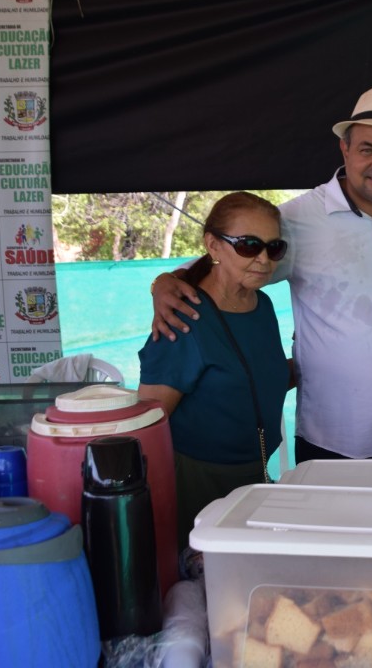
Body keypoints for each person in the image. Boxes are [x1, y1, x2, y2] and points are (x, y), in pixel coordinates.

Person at [151, 87, 372, 461]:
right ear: (345, 148)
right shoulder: (299, 219)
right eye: (367, 149)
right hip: (337, 438)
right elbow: (225, 257)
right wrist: (165, 282)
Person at [138, 192, 292, 551]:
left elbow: (257, 377)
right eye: (249, 245)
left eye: (275, 247)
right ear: (213, 246)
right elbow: (147, 424)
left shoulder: (261, 303)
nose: (264, 259)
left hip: (254, 474)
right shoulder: (182, 317)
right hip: (196, 483)